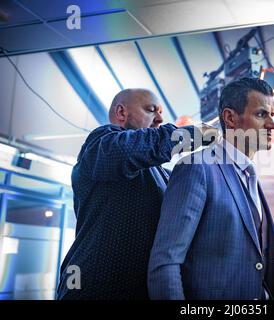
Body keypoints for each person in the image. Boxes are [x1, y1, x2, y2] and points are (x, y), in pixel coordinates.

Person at [57, 88, 210, 299]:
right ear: (121, 113)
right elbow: (127, 151)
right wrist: (191, 134)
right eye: (151, 110)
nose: (160, 119)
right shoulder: (102, 143)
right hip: (92, 287)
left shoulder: (160, 174)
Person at [148, 78, 274, 300]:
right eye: (261, 114)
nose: (272, 125)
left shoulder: (251, 177)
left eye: (272, 115)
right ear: (230, 118)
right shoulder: (197, 169)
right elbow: (165, 262)